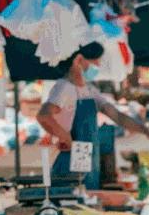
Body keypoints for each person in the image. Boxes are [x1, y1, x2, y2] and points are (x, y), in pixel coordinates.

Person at [37, 42, 149, 189]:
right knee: (71, 201)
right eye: (94, 60)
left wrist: (144, 130)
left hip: (86, 159)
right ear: (78, 60)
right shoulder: (64, 87)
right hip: (69, 160)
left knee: (87, 199)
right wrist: (64, 136)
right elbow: (44, 116)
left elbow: (117, 116)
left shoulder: (88, 90)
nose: (98, 64)